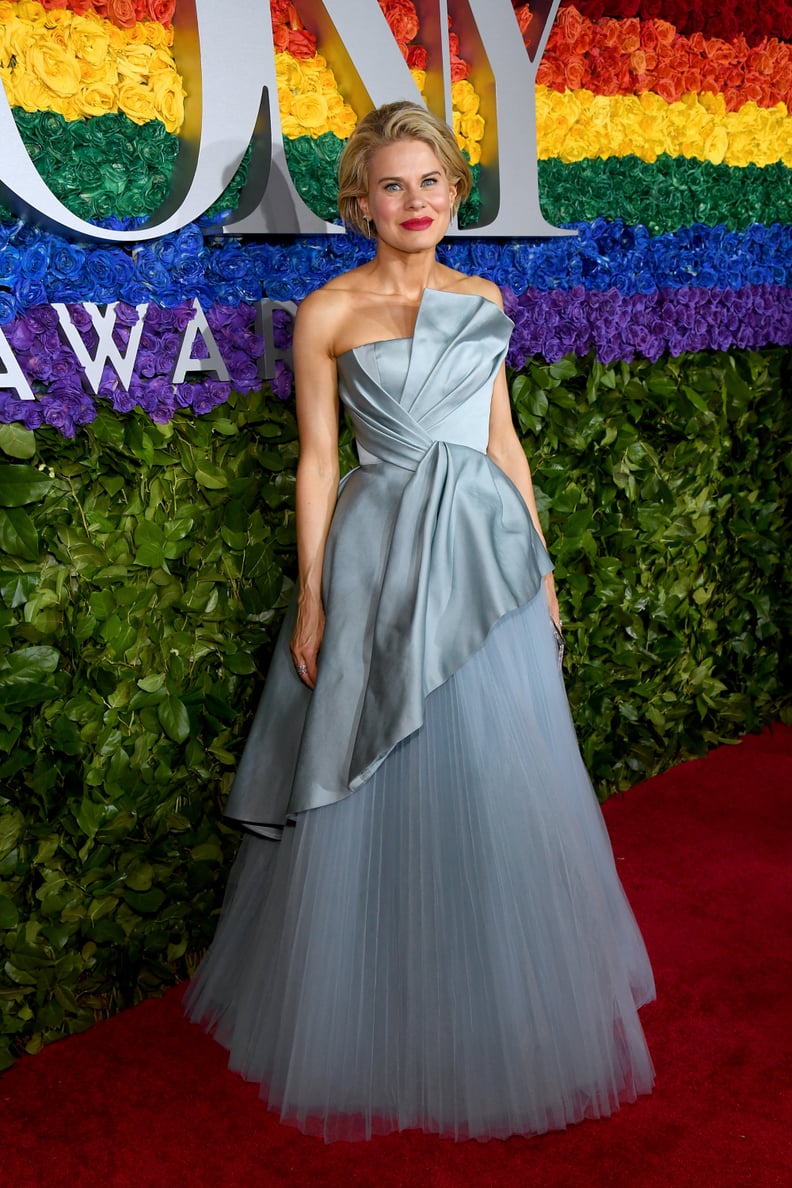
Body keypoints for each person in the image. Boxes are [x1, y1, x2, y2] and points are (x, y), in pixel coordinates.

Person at [185, 101, 655, 1143]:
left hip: (487, 563)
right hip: (382, 556)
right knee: (373, 774)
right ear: (361, 200)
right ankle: (378, 997)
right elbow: (320, 463)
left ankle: (496, 985)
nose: (415, 202)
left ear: (454, 194)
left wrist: (542, 567)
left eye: (431, 182)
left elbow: (503, 444)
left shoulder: (485, 298)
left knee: (499, 771)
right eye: (392, 185)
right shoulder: (327, 314)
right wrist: (313, 595)